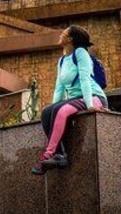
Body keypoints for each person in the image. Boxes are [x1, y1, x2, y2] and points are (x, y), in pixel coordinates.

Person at [32, 25, 108, 175]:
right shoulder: (62, 61)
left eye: (64, 33)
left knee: (61, 110)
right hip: (75, 99)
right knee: (48, 112)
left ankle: (47, 155)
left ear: (70, 39)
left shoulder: (80, 53)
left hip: (94, 97)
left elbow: (85, 79)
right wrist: (53, 106)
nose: (61, 34)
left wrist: (90, 105)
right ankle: (60, 155)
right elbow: (59, 88)